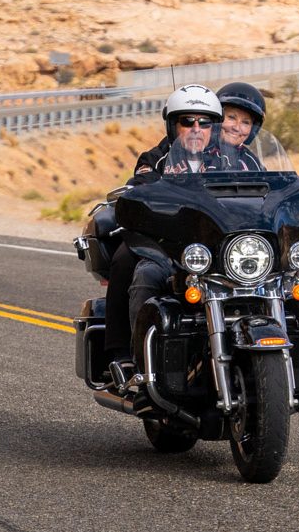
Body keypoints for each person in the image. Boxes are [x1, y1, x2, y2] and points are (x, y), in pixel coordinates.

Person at [102, 85, 223, 383]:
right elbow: (143, 191)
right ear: (173, 125)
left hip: (215, 249)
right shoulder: (154, 159)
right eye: (188, 121)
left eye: (204, 122)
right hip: (168, 246)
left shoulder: (228, 161)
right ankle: (129, 358)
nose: (197, 129)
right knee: (135, 267)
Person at [216, 81, 267, 171]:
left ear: (252, 130)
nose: (236, 128)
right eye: (231, 117)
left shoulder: (252, 164)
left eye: (245, 122)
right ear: (216, 117)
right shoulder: (197, 153)